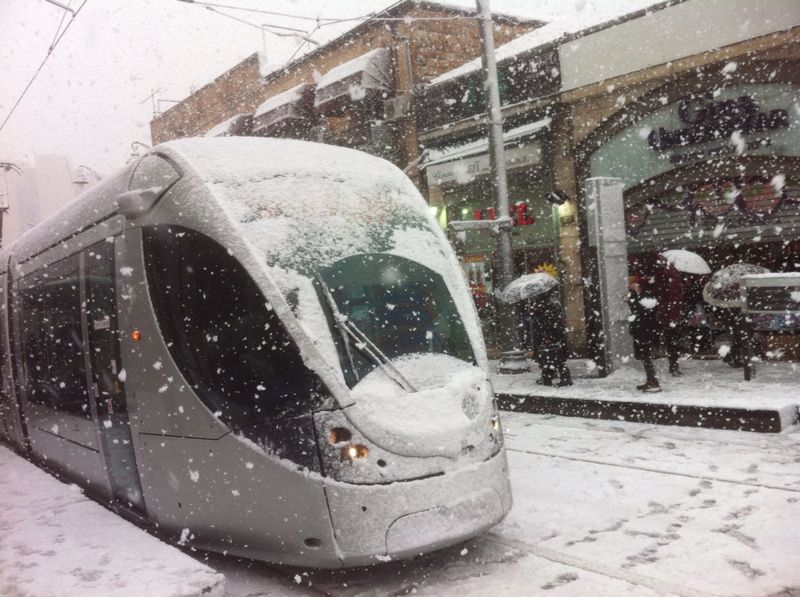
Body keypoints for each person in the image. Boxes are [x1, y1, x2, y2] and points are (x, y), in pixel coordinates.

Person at [529, 287, 572, 387]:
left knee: (553, 356)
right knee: (550, 357)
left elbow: (549, 321)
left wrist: (548, 335)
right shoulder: (551, 302)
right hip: (551, 335)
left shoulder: (548, 304)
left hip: (550, 335)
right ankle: (548, 377)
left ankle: (562, 378)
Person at [628, 274, 661, 392]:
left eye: (634, 284)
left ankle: (653, 381)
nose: (632, 286)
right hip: (641, 329)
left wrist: (633, 299)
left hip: (644, 330)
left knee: (645, 355)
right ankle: (651, 380)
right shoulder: (641, 295)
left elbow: (643, 312)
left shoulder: (647, 297)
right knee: (643, 356)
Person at [653, 256, 685, 376]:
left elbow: (663, 294)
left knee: (671, 340)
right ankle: (674, 364)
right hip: (673, 312)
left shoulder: (663, 277)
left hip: (668, 312)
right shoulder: (673, 276)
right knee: (673, 340)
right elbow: (675, 295)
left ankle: (673, 364)